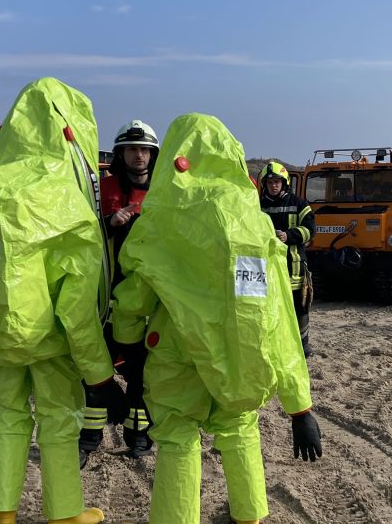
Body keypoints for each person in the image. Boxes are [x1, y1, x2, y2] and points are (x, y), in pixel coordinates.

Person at [111, 113, 322, 524]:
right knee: (241, 432)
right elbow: (279, 314)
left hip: (176, 355)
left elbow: (133, 299)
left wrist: (127, 348)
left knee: (176, 442)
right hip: (244, 354)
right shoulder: (257, 227)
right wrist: (300, 407)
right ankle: (250, 518)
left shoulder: (156, 224)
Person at [0, 77, 126, 524]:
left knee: (3, 421)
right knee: (60, 423)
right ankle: (64, 515)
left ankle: (0, 515)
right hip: (52, 343)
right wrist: (100, 379)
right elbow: (76, 307)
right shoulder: (64, 198)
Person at [78, 119, 159, 461]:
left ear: (152, 154)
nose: (138, 155)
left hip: (148, 300)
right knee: (94, 368)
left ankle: (138, 436)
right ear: (120, 153)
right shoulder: (103, 189)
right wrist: (108, 224)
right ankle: (90, 437)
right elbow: (81, 233)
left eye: (144, 149)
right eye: (131, 149)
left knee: (143, 374)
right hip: (106, 296)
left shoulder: (164, 190)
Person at [258, 161, 316, 356]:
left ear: (285, 183)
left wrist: (288, 236)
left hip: (294, 268)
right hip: (267, 269)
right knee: (272, 309)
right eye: (270, 182)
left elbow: (310, 231)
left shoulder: (300, 204)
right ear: (264, 184)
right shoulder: (258, 205)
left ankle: (303, 345)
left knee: (299, 308)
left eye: (277, 182)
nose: (274, 185)